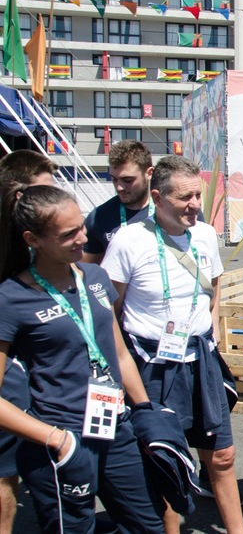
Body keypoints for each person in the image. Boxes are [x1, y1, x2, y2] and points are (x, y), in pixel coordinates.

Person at [0, 185, 164, 533]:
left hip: (114, 426)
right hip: (62, 437)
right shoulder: (11, 298)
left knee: (148, 525)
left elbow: (118, 353)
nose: (82, 238)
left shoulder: (96, 276)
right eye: (68, 233)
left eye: (82, 227)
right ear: (33, 239)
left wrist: (145, 411)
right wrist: (57, 440)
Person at [102, 156, 243, 534]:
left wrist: (211, 329)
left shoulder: (204, 235)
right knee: (164, 459)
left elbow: (213, 284)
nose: (196, 205)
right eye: (185, 198)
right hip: (152, 367)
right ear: (157, 198)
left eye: (198, 195)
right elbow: (109, 312)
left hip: (200, 359)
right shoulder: (128, 241)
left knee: (223, 456)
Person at [0, 149, 58, 534]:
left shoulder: (37, 240)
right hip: (12, 366)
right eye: (46, 192)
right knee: (5, 468)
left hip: (38, 360)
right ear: (20, 196)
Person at [83, 140, 154, 264]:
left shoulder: (175, 210)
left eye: (127, 180)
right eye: (114, 179)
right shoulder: (98, 217)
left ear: (149, 173)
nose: (119, 187)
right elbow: (85, 272)